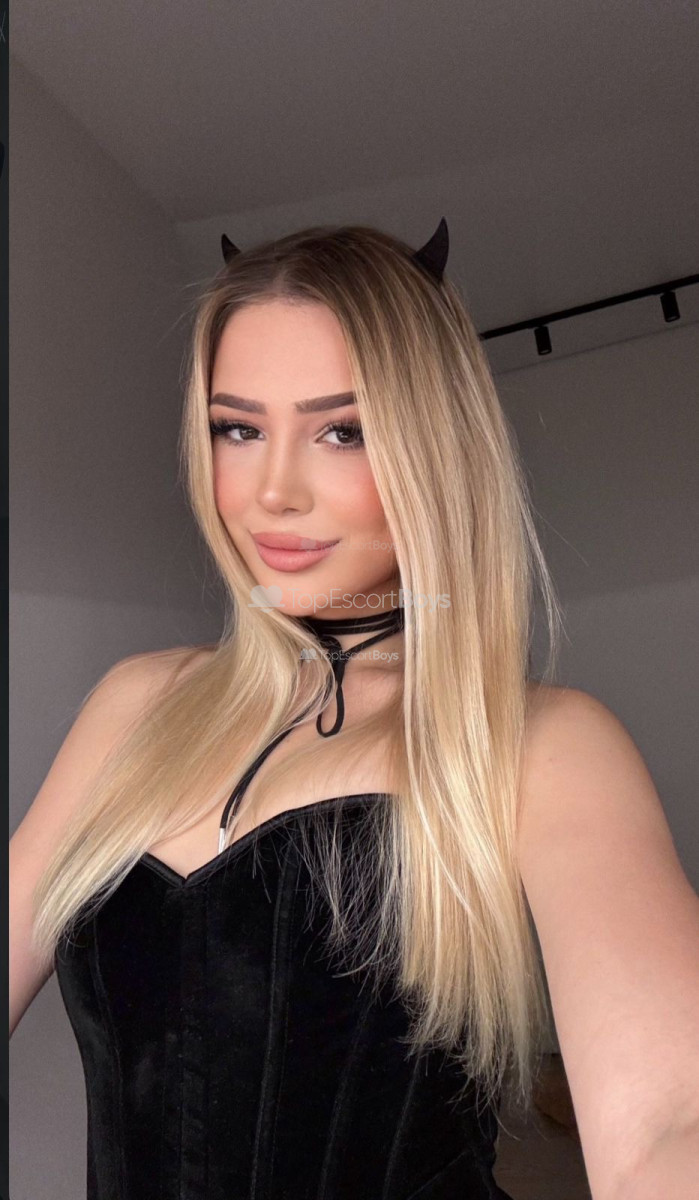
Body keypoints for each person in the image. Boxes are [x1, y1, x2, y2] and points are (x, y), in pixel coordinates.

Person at [10, 220, 699, 1200]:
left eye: (343, 430)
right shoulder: (136, 704)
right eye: (239, 428)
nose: (273, 492)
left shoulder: (537, 744)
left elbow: (671, 1118)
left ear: (435, 449)